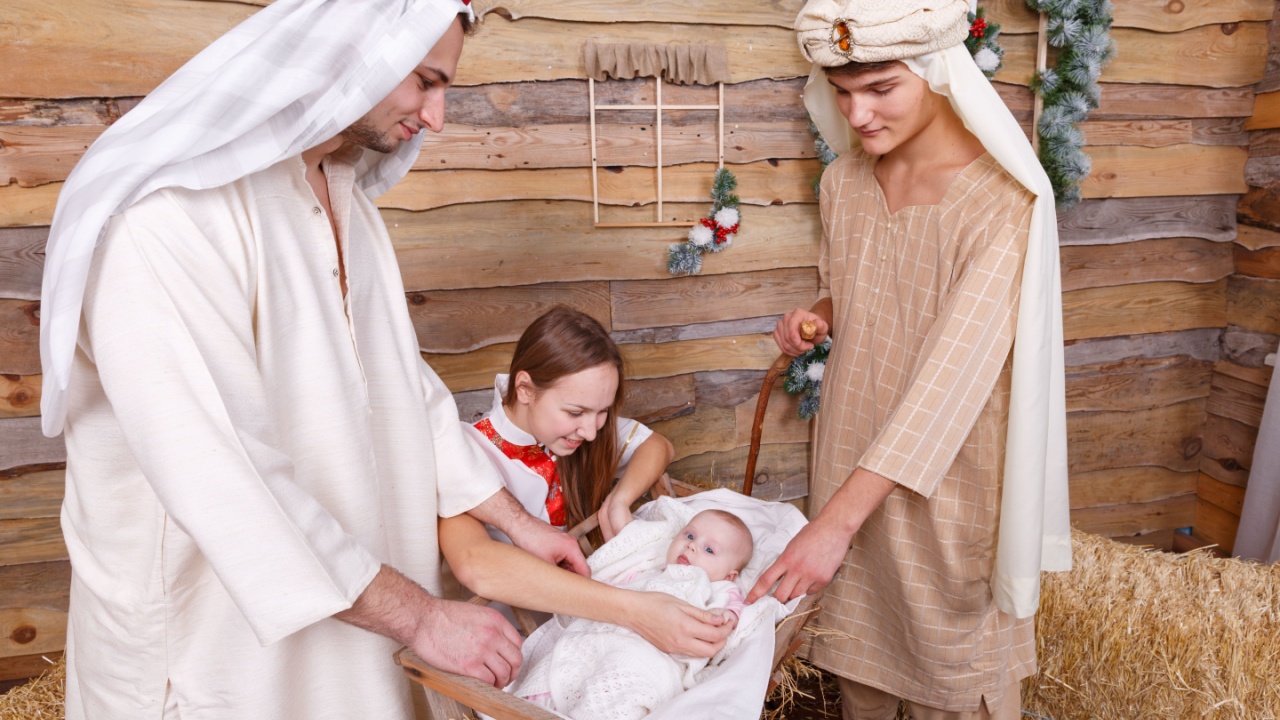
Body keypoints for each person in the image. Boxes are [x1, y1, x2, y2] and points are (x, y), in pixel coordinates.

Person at [36, 2, 625, 718]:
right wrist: (422, 617)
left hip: (352, 615)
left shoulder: (345, 202)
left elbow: (407, 393)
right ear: (354, 55)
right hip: (210, 641)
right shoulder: (165, 223)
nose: (436, 117)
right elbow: (221, 469)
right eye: (424, 82)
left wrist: (519, 522)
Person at [746, 1, 1072, 719]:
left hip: (945, 487)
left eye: (881, 87)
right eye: (841, 91)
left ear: (936, 71)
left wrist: (830, 526)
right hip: (849, 454)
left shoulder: (1003, 205)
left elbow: (949, 387)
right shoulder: (846, 184)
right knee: (861, 675)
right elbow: (849, 287)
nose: (858, 114)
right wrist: (818, 318)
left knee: (951, 685)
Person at [507, 510, 754, 719]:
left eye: (709, 550)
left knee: (620, 678)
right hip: (600, 632)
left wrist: (725, 619)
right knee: (559, 663)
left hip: (647, 651)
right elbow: (609, 591)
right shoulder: (647, 570)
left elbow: (728, 615)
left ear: (729, 575)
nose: (691, 545)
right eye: (690, 535)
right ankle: (534, 703)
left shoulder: (716, 586)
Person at [467, 306, 676, 541]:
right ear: (524, 390)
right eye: (575, 413)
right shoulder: (470, 454)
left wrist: (619, 500)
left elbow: (659, 446)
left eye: (603, 411)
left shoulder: (580, 424)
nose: (590, 434)